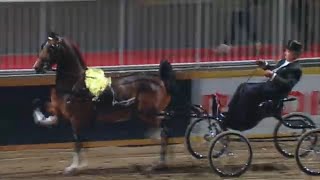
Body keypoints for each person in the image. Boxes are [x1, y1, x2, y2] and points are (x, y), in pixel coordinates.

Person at [222, 40, 303, 131]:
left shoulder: (296, 69)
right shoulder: (283, 61)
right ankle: (231, 112)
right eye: (286, 50)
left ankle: (240, 119)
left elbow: (288, 85)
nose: (285, 53)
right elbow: (275, 70)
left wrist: (273, 76)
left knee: (249, 92)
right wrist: (265, 65)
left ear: (296, 54)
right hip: (268, 87)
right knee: (243, 86)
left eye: (288, 52)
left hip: (276, 93)